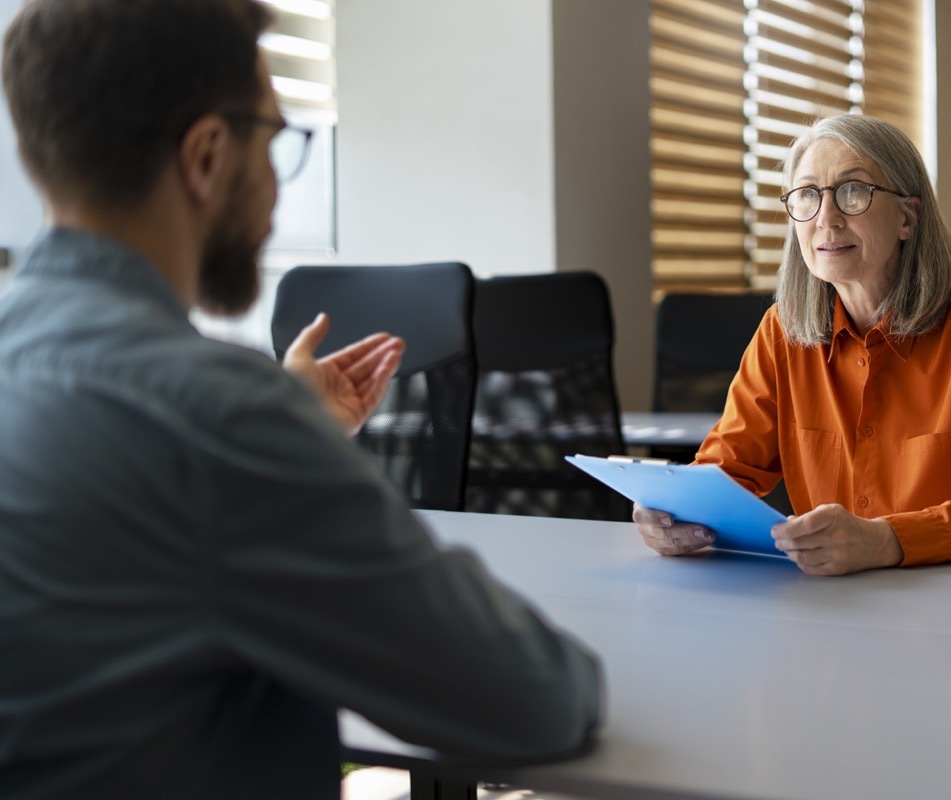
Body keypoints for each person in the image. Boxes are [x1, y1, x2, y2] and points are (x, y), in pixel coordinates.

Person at [0, 1, 601, 798]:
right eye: (277, 139)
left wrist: (294, 437)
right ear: (208, 155)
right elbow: (536, 699)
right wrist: (277, 443)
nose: (278, 186)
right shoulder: (216, 418)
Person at [634, 114, 951, 576]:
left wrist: (886, 541)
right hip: (846, 599)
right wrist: (670, 512)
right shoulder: (782, 332)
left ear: (907, 216)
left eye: (853, 192)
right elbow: (723, 472)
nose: (827, 218)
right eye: (807, 195)